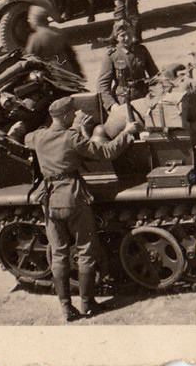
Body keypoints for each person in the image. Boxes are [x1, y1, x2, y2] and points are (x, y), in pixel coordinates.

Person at [26, 97, 140, 321]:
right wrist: (127, 132)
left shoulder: (38, 137)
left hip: (49, 201)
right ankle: (87, 304)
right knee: (85, 251)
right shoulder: (72, 137)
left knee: (59, 255)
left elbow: (27, 138)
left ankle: (66, 308)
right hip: (72, 198)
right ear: (67, 116)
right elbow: (105, 152)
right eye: (73, 114)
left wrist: (77, 126)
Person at [95, 22, 158, 109]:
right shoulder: (112, 56)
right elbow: (103, 86)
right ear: (116, 37)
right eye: (122, 35)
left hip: (144, 95)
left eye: (129, 33)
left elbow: (155, 75)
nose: (127, 38)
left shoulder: (141, 50)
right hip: (123, 100)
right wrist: (112, 105)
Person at [24, 6, 83, 78]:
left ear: (35, 20)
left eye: (30, 18)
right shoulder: (57, 31)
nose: (28, 21)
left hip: (52, 73)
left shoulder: (35, 38)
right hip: (67, 69)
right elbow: (71, 53)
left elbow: (29, 59)